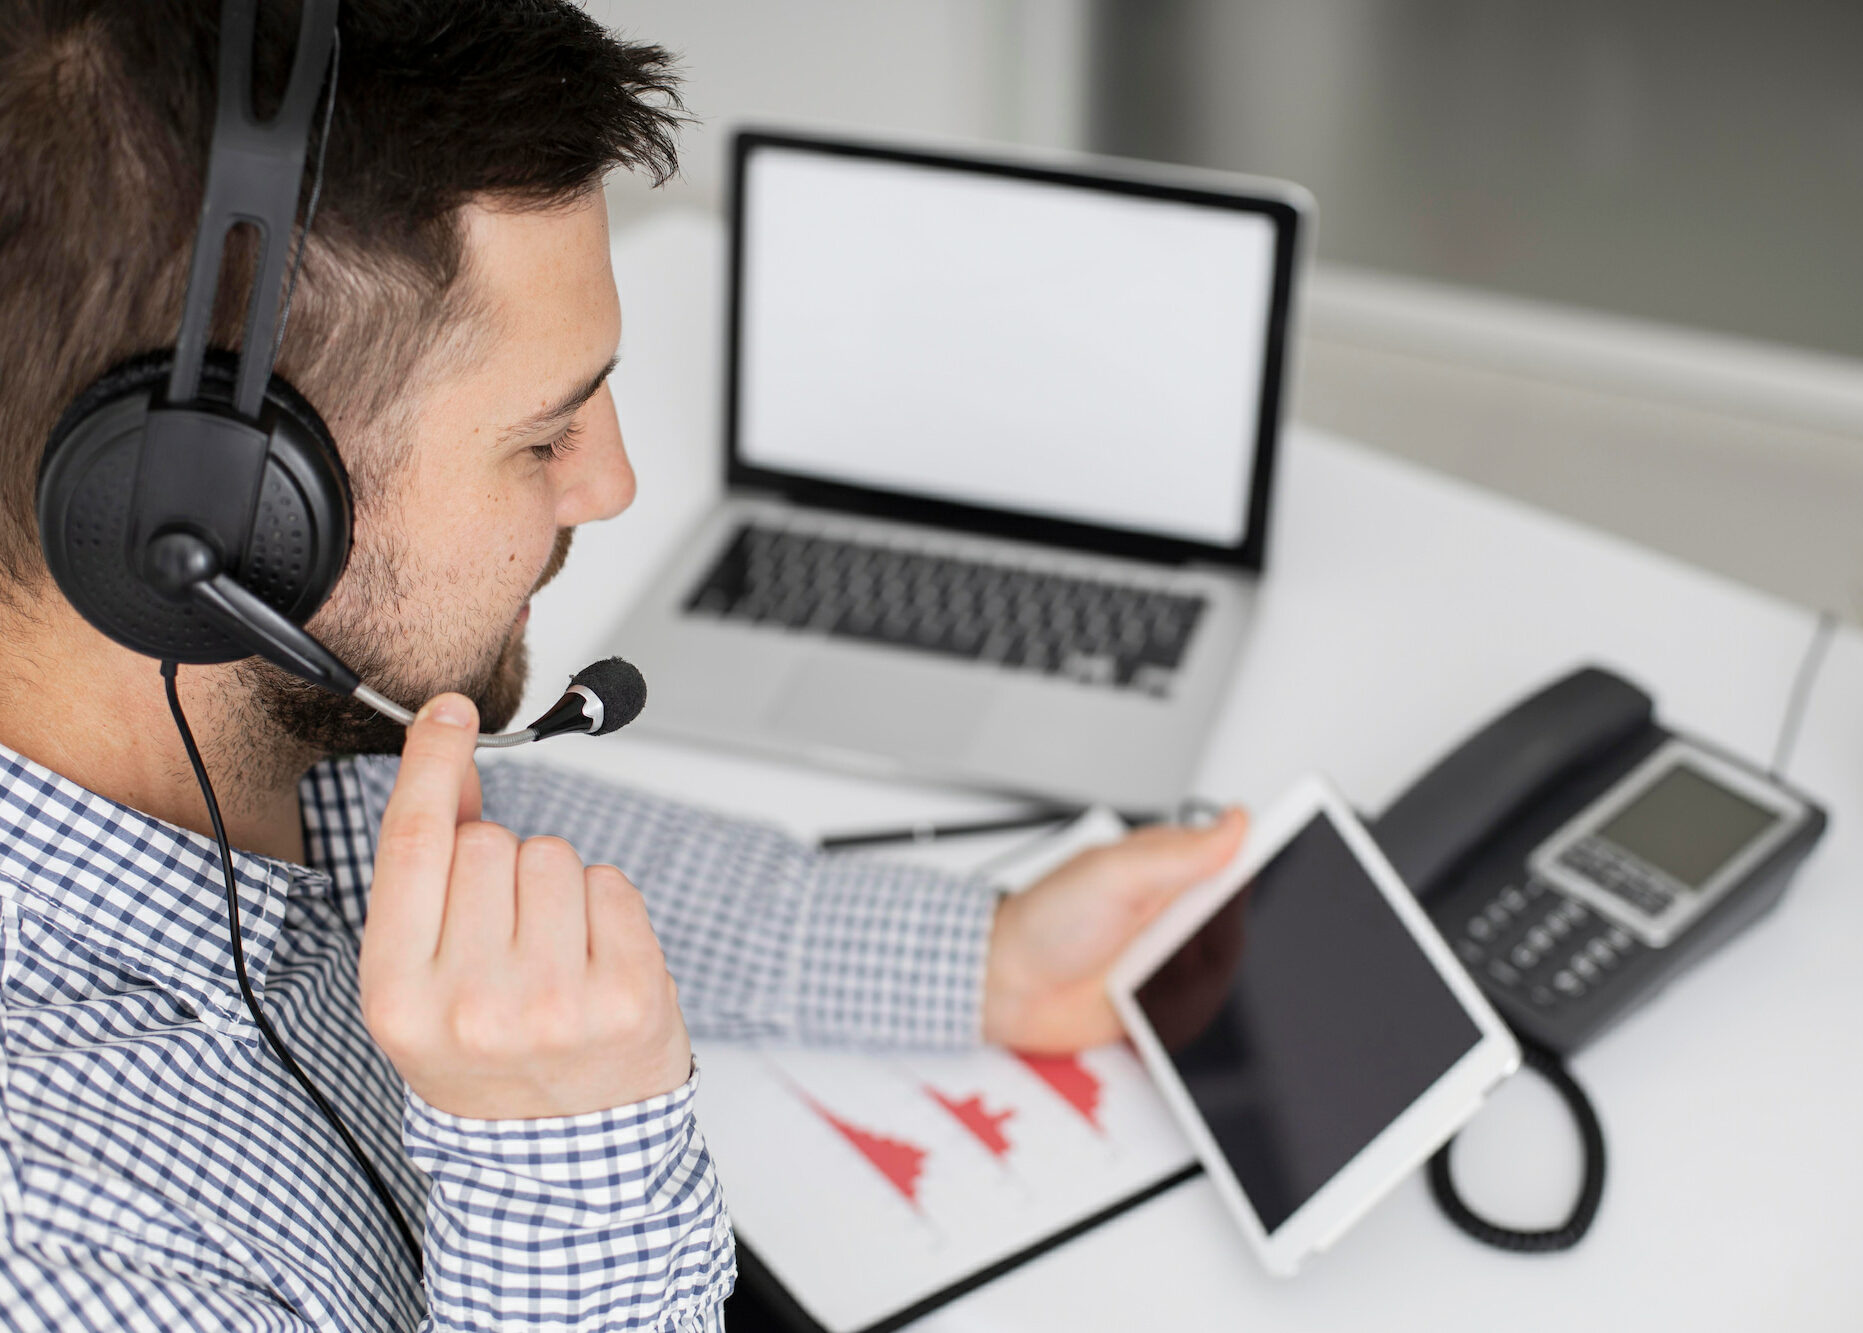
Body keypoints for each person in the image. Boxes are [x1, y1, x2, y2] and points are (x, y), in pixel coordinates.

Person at [0, 2, 1248, 1328]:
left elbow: (498, 844)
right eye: (543, 438)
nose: (613, 482)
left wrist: (986, 958)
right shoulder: (66, 1246)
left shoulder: (272, 728)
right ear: (210, 518)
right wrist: (564, 1159)